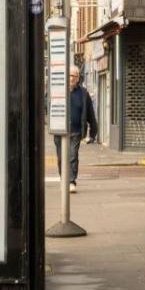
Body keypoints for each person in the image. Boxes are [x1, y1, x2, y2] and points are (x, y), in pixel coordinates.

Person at [54, 66, 98, 194]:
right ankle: (64, 180)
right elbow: (47, 104)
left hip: (76, 131)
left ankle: (71, 182)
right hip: (59, 131)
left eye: (74, 76)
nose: (71, 78)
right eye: (69, 75)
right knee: (61, 158)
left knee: (73, 156)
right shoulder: (58, 91)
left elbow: (90, 113)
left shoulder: (83, 93)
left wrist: (93, 133)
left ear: (78, 78)